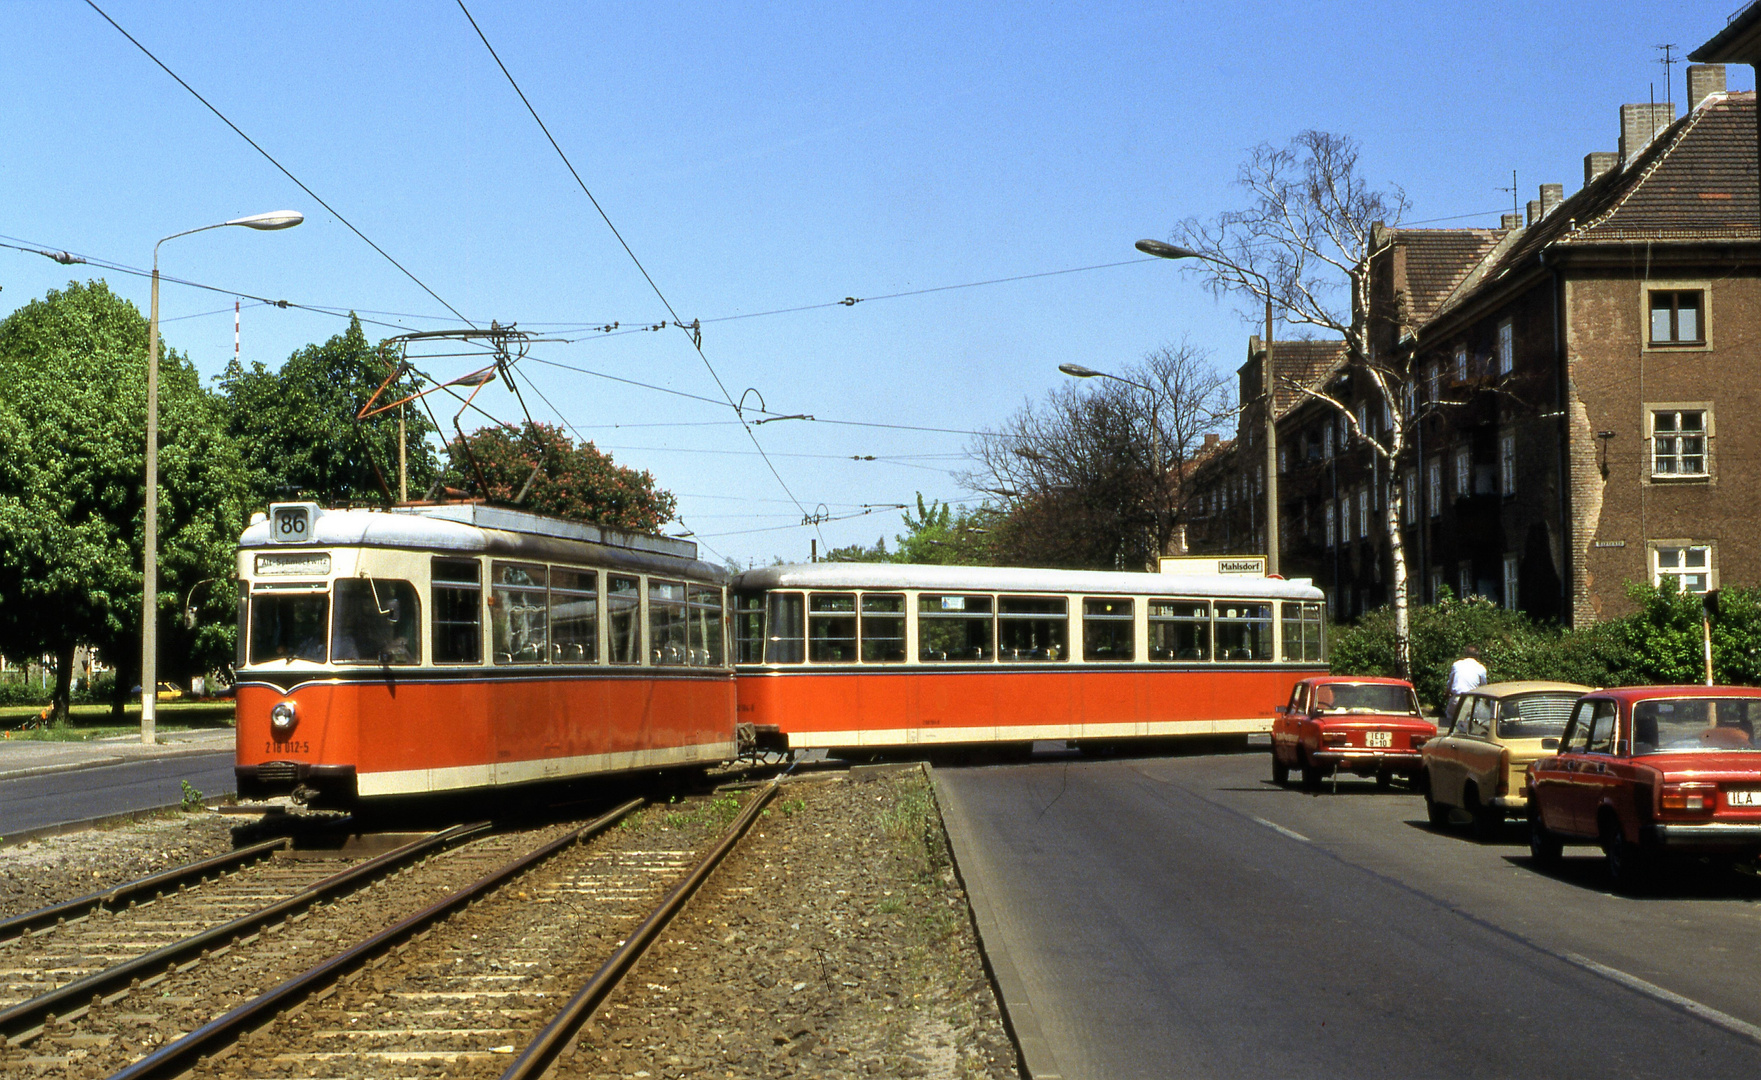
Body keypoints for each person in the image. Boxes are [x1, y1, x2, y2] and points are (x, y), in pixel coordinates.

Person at [1445, 645, 1488, 724]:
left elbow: (1450, 683)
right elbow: (1484, 688)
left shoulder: (1457, 664)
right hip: (1471, 700)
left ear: (1465, 654)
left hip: (1456, 699)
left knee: (1450, 716)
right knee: (1470, 722)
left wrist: (1447, 694)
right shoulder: (1481, 668)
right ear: (1477, 655)